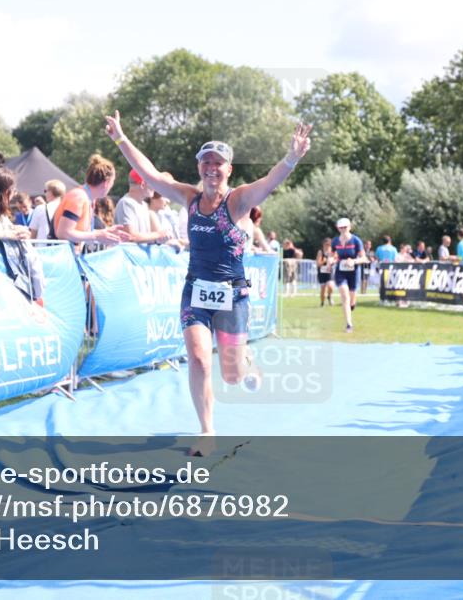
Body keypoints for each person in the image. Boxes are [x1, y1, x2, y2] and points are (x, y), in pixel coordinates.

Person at [104, 109, 312, 456]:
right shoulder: (189, 197)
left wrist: (292, 157)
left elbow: (269, 182)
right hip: (196, 293)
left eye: (218, 163)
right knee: (199, 359)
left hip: (233, 296)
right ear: (199, 167)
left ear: (228, 169)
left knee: (231, 375)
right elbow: (151, 175)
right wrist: (121, 139)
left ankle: (245, 361)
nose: (211, 169)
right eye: (206, 163)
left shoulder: (239, 199)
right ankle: (207, 431)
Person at [53, 154, 128, 250]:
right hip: (62, 260)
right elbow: (63, 233)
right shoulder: (79, 197)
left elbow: (79, 232)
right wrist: (97, 235)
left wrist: (105, 232)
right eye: (113, 182)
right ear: (106, 183)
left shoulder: (87, 198)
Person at [116, 170, 170, 244]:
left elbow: (146, 237)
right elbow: (130, 236)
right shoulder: (126, 203)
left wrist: (160, 238)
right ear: (143, 185)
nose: (155, 188)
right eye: (152, 183)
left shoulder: (144, 205)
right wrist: (159, 234)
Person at [332, 217, 367, 333]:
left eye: (345, 227)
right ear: (338, 228)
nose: (343, 230)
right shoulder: (335, 241)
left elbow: (364, 258)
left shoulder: (356, 241)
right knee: (344, 296)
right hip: (340, 272)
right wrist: (331, 261)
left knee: (351, 298)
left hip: (353, 272)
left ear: (350, 227)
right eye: (341, 228)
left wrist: (354, 261)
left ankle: (353, 304)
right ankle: (349, 324)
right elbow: (333, 255)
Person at [316, 237, 335, 306]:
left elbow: (336, 259)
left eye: (329, 245)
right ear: (323, 244)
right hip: (321, 273)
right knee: (323, 289)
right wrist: (323, 261)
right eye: (326, 244)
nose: (327, 246)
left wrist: (333, 261)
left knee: (331, 286)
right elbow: (318, 264)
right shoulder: (320, 252)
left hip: (329, 272)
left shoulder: (332, 252)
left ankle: (329, 296)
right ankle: (322, 302)